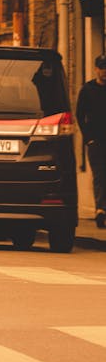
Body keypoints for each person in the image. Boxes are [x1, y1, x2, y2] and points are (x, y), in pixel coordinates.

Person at [76, 52, 106, 229]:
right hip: (96, 141)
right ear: (96, 69)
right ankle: (101, 209)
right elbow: (80, 115)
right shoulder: (88, 90)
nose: (104, 72)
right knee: (100, 175)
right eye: (101, 68)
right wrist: (88, 138)